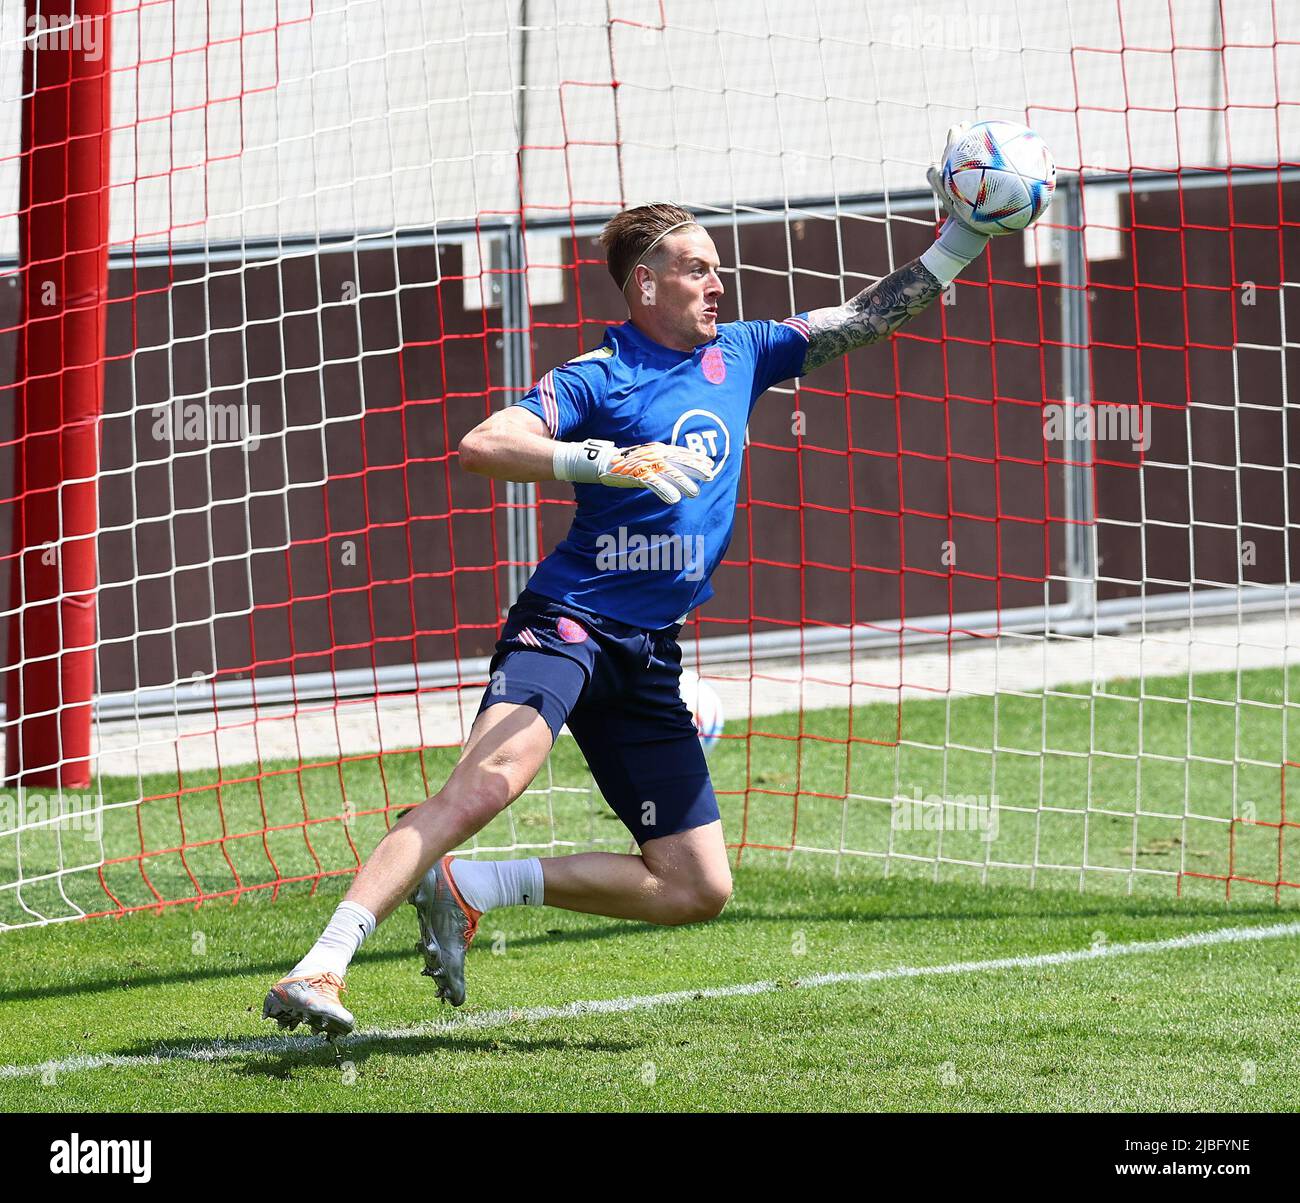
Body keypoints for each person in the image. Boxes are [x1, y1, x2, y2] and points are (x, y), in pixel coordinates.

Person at [263, 127, 996, 1037]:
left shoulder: (748, 351)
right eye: (695, 269)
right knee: (489, 782)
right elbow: (483, 445)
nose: (716, 284)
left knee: (697, 887)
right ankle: (322, 964)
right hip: (567, 624)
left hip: (651, 656)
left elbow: (870, 314)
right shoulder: (600, 374)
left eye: (716, 268)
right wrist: (603, 461)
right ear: (644, 282)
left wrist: (966, 236)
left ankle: (470, 885)